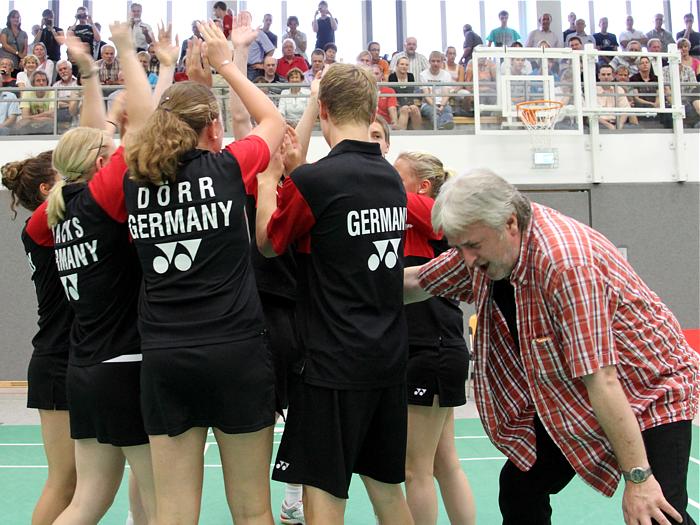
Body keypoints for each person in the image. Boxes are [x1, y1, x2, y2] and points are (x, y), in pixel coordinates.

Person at [404, 169, 699, 525]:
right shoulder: (489, 244)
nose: (466, 260)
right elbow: (421, 279)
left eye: (473, 247)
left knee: (655, 512)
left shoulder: (564, 263)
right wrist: (344, 286)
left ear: (510, 223)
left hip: (648, 388)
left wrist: (638, 480)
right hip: (575, 390)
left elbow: (603, 380)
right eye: (460, 247)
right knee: (520, 486)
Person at [115, 17, 284, 524]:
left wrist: (168, 74)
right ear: (213, 129)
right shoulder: (228, 169)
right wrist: (228, 64)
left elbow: (142, 127)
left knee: (174, 512)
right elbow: (272, 122)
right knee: (253, 511)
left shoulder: (133, 183)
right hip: (236, 352)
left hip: (166, 357)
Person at [257, 61, 413, 525]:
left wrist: (271, 180)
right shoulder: (390, 180)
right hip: (387, 360)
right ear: (371, 111)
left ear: (322, 110)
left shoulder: (313, 182)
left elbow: (268, 242)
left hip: (331, 366)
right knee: (388, 492)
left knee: (324, 497)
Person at [27, 27, 157, 525]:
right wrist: (126, 54)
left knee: (86, 501)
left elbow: (80, 145)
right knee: (159, 501)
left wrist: (87, 74)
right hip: (124, 363)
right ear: (103, 165)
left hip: (83, 368)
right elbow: (142, 129)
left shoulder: (55, 217)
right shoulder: (103, 201)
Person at [393, 151, 476, 525]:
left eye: (398, 176)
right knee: (444, 463)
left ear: (422, 186)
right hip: (436, 352)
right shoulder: (408, 225)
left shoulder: (434, 216)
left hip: (432, 352)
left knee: (416, 470)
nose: (390, 183)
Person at [1, 151, 76, 524]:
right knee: (64, 482)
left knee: (86, 482)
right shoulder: (39, 228)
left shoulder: (70, 227)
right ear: (47, 190)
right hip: (56, 362)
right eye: (66, 176)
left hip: (82, 360)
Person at [420, 51, 454, 130]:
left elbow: (446, 93)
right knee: (434, 113)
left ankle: (443, 127)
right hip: (428, 104)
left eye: (438, 61)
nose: (435, 63)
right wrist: (434, 106)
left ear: (442, 62)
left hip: (443, 103)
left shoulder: (446, 75)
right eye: (433, 61)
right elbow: (426, 95)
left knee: (448, 111)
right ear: (429, 62)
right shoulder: (423, 74)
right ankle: (441, 127)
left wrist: (442, 105)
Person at [16, 71, 55, 135]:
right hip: (31, 126)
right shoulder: (27, 93)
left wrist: (30, 118)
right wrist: (45, 114)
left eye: (44, 80)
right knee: (20, 128)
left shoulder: (52, 92)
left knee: (51, 125)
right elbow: (24, 117)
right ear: (33, 84)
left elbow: (53, 116)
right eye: (38, 80)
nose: (41, 83)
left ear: (47, 83)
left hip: (47, 126)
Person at [389, 55, 422, 130]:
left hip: (410, 103)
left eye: (406, 65)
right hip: (398, 105)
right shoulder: (392, 77)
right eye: (402, 64)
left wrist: (409, 104)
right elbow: (394, 93)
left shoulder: (410, 76)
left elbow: (411, 92)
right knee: (404, 109)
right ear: (397, 65)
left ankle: (419, 134)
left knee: (414, 108)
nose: (404, 66)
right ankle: (401, 135)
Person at [596, 64, 630, 130]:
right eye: (603, 74)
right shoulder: (592, 91)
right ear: (599, 76)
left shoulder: (619, 89)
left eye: (608, 74)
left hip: (616, 123)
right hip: (598, 124)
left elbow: (625, 110)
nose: (606, 77)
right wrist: (608, 125)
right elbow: (591, 115)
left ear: (613, 76)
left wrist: (619, 125)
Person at [371, 63, 398, 128]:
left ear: (382, 76)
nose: (373, 76)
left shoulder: (390, 91)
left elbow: (392, 109)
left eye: (376, 74)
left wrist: (394, 122)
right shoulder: (363, 90)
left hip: (384, 125)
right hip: (368, 124)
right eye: (371, 73)